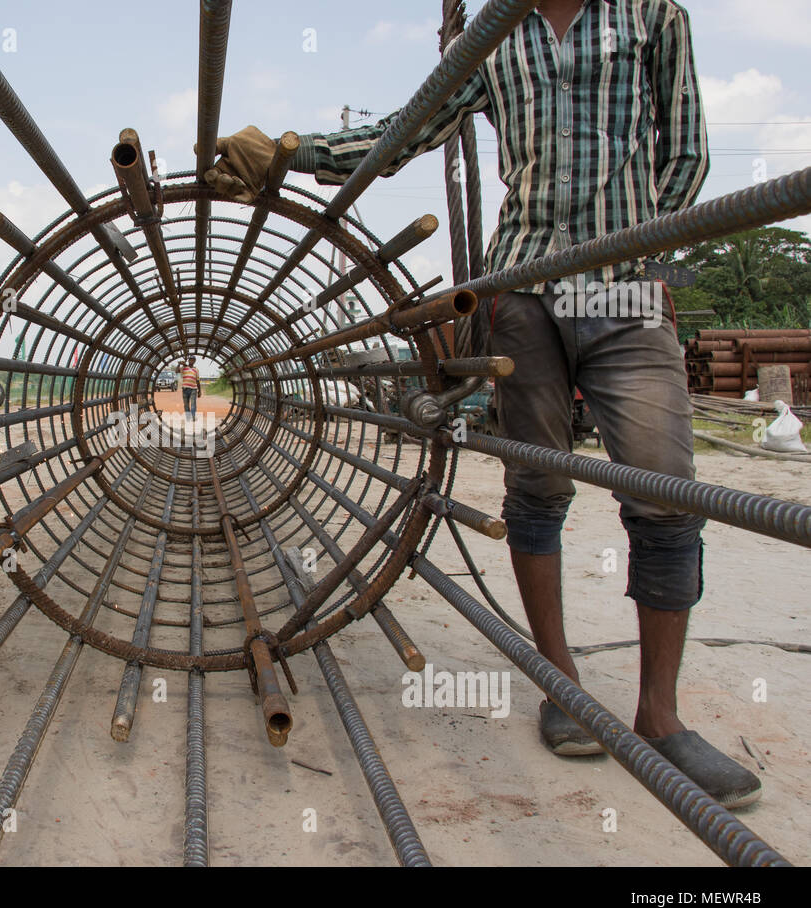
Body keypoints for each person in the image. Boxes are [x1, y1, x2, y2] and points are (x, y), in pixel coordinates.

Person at [207, 0, 762, 808]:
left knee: (666, 488)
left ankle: (661, 715)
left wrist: (645, 245)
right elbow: (409, 129)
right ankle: (562, 687)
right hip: (524, 287)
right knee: (536, 486)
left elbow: (687, 153)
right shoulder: (495, 30)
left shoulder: (652, 14)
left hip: (625, 287)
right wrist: (292, 152)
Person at [178, 357, 201, 422]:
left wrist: (199, 391)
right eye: (190, 359)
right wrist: (179, 364)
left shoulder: (196, 369)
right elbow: (177, 371)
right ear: (188, 360)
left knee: (193, 404)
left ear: (194, 361)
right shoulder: (184, 368)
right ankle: (188, 417)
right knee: (186, 405)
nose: (191, 361)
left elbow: (198, 380)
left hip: (193, 389)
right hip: (185, 388)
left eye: (193, 360)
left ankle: (193, 417)